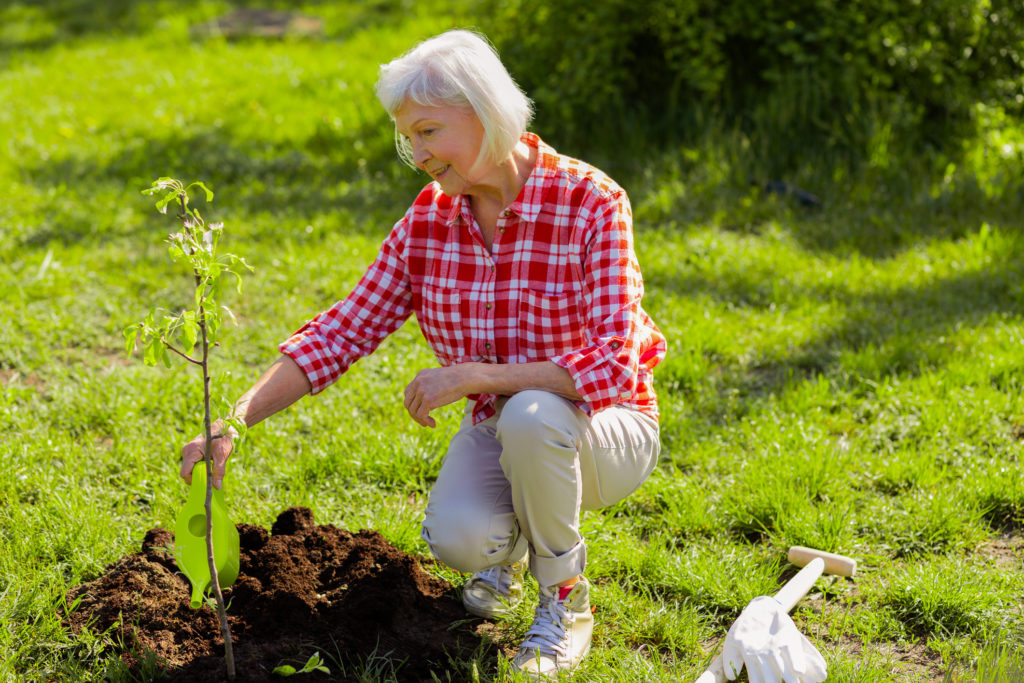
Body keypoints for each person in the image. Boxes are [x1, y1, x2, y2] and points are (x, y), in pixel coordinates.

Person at [180, 29, 666, 679]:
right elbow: (342, 329)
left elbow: (614, 362)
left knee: (531, 414)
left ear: (485, 110)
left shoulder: (590, 202)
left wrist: (477, 375)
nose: (415, 152)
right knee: (459, 537)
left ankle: (565, 602)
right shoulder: (432, 221)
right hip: (509, 429)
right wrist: (234, 421)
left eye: (428, 130)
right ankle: (508, 551)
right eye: (407, 136)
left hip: (609, 429)